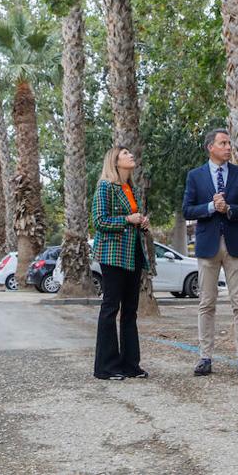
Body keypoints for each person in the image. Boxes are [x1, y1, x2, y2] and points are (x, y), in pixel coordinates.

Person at [183, 128, 238, 377]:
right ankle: (205, 357)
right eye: (223, 143)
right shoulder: (195, 176)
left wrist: (228, 209)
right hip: (207, 246)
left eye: (229, 143)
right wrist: (209, 207)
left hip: (235, 245)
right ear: (210, 147)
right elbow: (188, 210)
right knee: (206, 303)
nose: (228, 147)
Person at [92, 145, 152, 381]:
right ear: (115, 161)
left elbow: (132, 220)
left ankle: (130, 365)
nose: (130, 155)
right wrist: (127, 219)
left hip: (133, 253)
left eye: (130, 152)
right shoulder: (105, 187)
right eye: (125, 154)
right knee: (110, 308)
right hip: (113, 254)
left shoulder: (130, 189)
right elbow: (99, 221)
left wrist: (142, 222)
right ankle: (105, 367)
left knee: (130, 311)